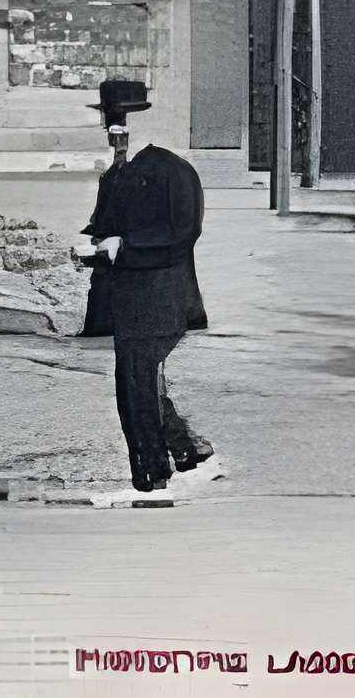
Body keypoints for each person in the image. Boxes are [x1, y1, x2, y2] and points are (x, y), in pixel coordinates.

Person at [71, 79, 217, 501]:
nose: (110, 128)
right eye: (108, 120)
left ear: (137, 122)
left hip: (159, 296)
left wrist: (124, 246)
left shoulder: (172, 169)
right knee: (142, 383)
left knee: (137, 389)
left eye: (115, 120)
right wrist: (95, 247)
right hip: (130, 297)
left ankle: (153, 477)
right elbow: (108, 225)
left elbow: (182, 232)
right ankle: (188, 454)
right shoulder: (121, 170)